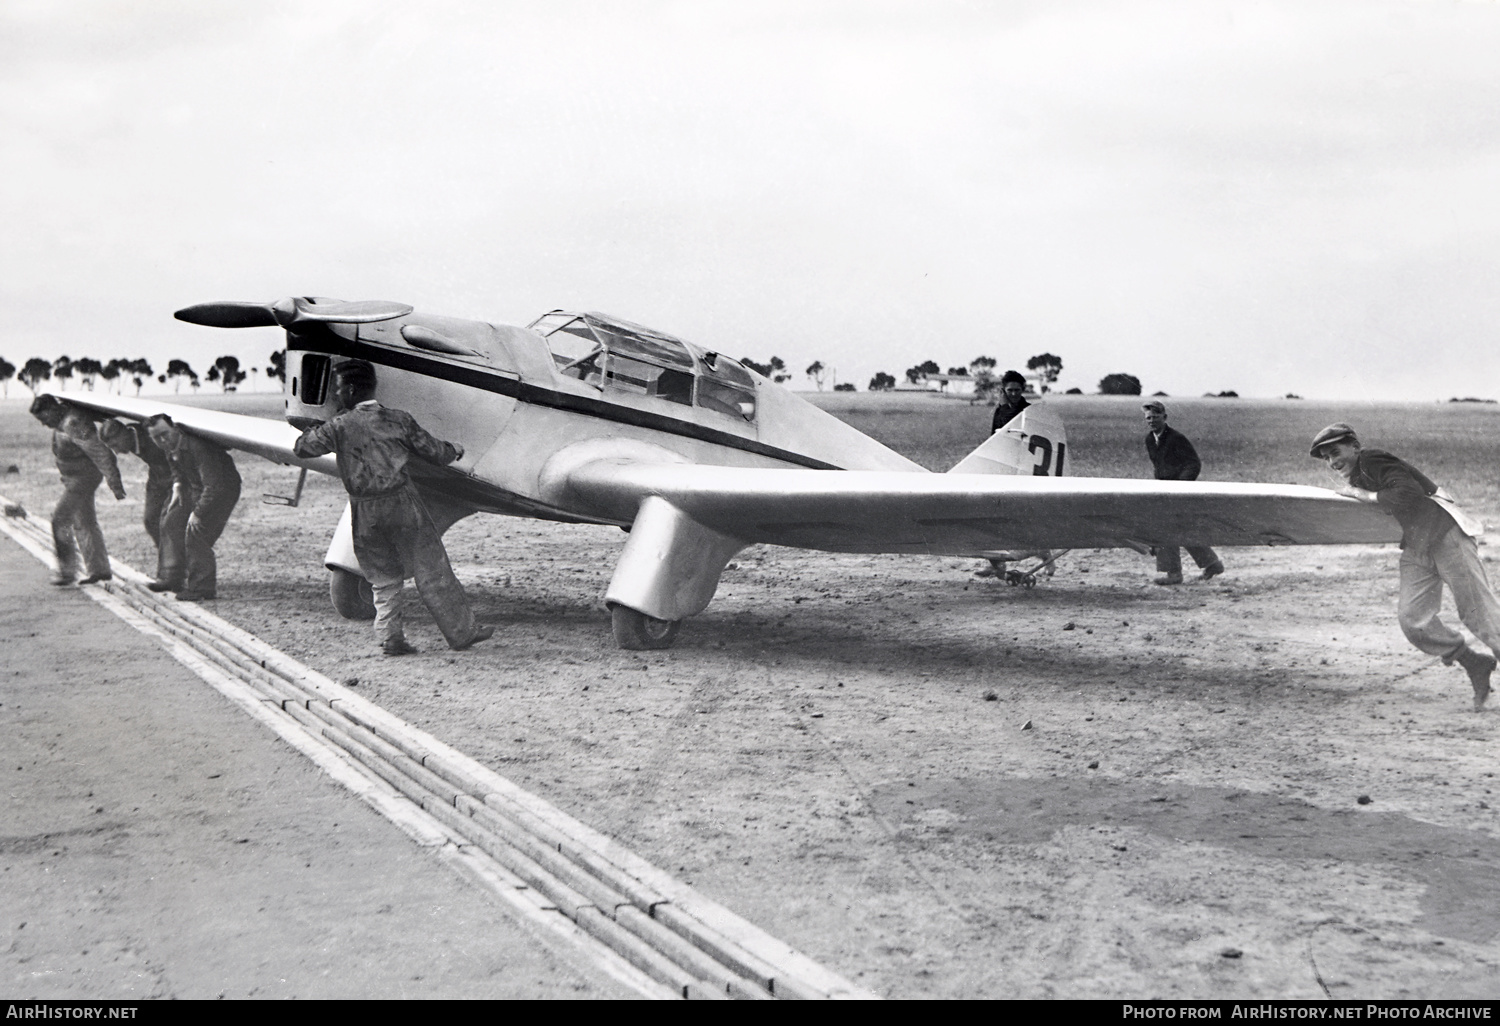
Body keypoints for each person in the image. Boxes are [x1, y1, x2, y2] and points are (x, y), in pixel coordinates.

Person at [292, 360, 494, 656]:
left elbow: (301, 448)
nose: (337, 396)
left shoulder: (339, 426)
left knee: (383, 578)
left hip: (364, 513)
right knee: (432, 569)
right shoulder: (399, 420)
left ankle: (391, 638)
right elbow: (436, 453)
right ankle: (462, 633)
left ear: (350, 390)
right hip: (402, 504)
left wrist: (320, 421)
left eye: (338, 391)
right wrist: (457, 449)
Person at [1311, 422, 1495, 711]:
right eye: (1327, 458)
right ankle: (1475, 663)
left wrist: (1366, 496)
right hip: (1418, 545)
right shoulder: (1358, 476)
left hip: (1447, 536)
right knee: (1413, 621)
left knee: (1480, 616)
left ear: (1355, 447)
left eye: (1336, 452)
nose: (1333, 462)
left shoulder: (1371, 460)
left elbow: (1408, 493)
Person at [143, 414, 241, 601]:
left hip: (222, 490)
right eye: (156, 438)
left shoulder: (197, 447)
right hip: (197, 488)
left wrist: (197, 513)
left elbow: (214, 485)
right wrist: (178, 486)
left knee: (196, 534)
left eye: (165, 434)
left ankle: (201, 588)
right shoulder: (169, 446)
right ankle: (172, 578)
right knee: (171, 522)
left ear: (176, 429)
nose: (163, 440)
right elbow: (176, 468)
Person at [29, 395, 126, 586]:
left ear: (52, 410)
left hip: (82, 480)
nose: (44, 424)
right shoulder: (64, 421)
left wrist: (114, 482)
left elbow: (100, 452)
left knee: (60, 520)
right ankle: (100, 570)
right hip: (75, 479)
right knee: (85, 521)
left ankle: (67, 571)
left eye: (43, 418)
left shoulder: (73, 423)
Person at [1143, 400, 1224, 585]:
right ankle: (1212, 564)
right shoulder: (1150, 439)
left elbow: (1193, 463)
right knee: (1183, 528)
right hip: (1165, 491)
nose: (1152, 421)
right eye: (1148, 418)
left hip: (1179, 490)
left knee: (1167, 528)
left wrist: (1181, 486)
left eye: (1156, 417)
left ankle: (1174, 574)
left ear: (1165, 417)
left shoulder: (1175, 438)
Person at [99, 418, 174, 585]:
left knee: (169, 524)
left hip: (176, 478)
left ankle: (172, 573)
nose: (117, 452)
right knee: (151, 520)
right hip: (156, 478)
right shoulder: (130, 436)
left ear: (124, 434)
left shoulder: (151, 436)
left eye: (116, 445)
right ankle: (169, 569)